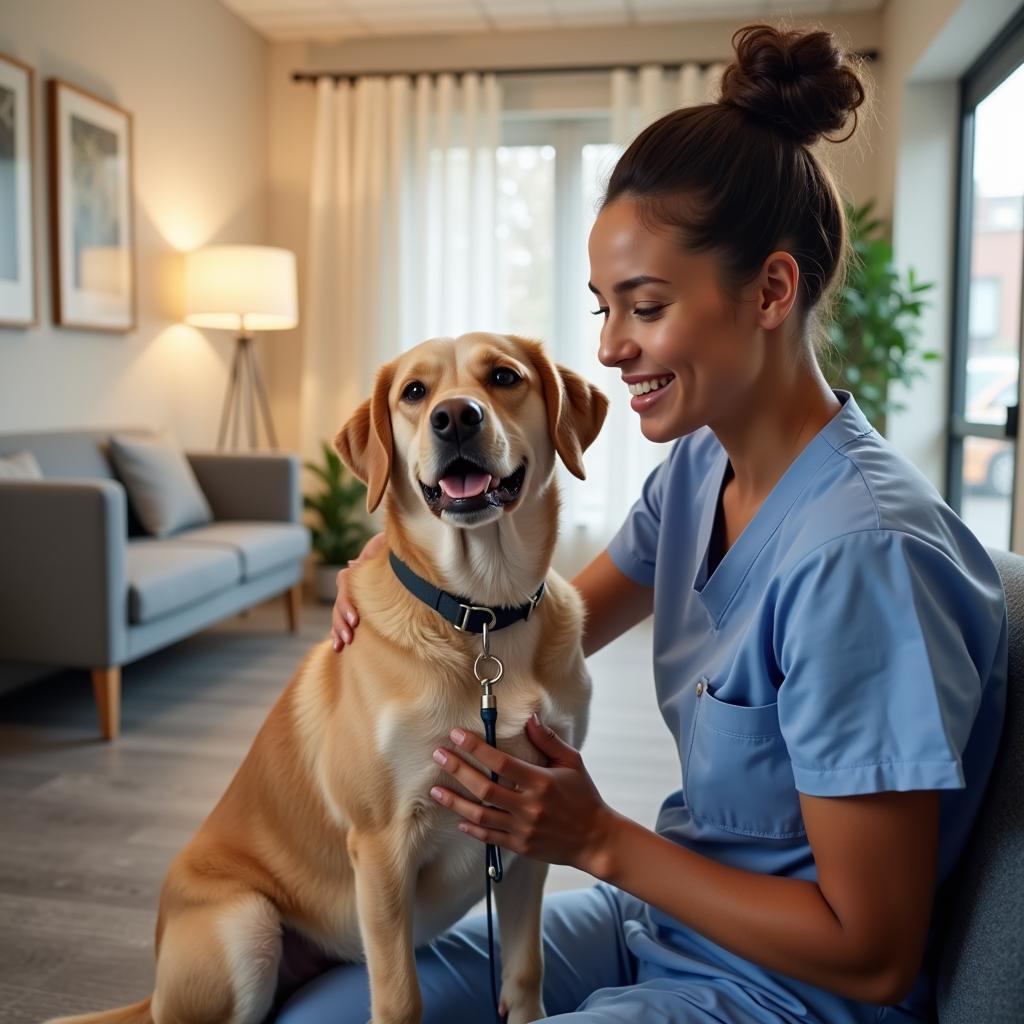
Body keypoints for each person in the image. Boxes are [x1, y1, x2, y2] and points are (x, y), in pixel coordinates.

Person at [276, 24, 1008, 1024]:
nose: (613, 348)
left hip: (781, 993)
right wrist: (399, 561)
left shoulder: (861, 558)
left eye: (645, 306)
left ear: (771, 289)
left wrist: (598, 840)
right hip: (660, 923)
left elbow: (871, 954)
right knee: (315, 1013)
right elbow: (547, 613)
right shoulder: (703, 465)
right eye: (602, 308)